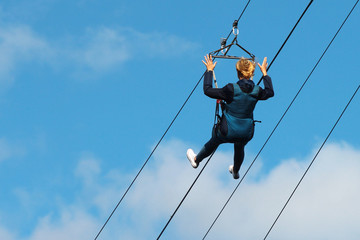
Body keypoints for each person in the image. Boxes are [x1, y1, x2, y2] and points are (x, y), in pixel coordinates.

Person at [186, 54, 274, 179]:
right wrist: (265, 73)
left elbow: (207, 90)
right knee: (240, 146)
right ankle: (236, 170)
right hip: (246, 132)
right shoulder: (257, 91)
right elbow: (270, 92)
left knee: (215, 140)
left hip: (227, 131)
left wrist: (209, 71)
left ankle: (196, 159)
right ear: (252, 73)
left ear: (238, 73)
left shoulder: (231, 89)